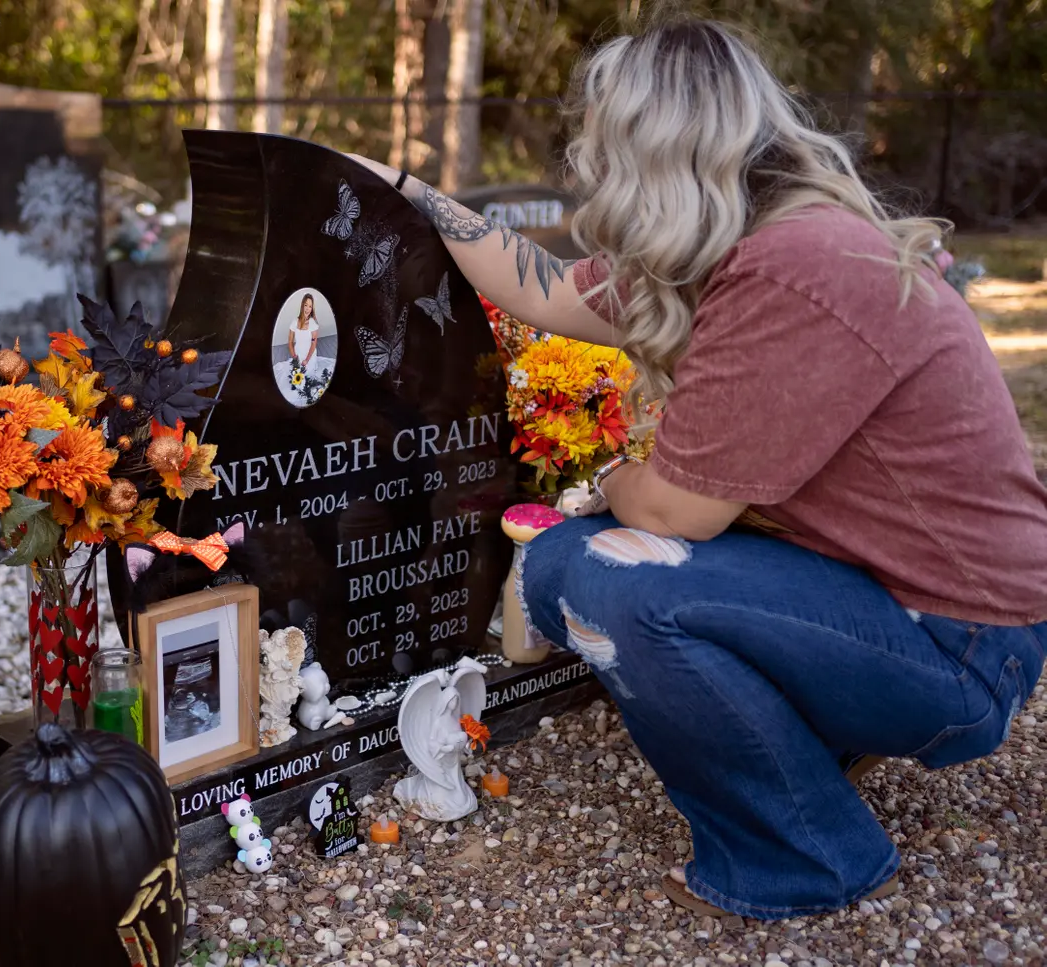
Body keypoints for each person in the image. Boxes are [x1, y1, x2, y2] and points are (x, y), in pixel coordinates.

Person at [349, 16, 1047, 920]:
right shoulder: (747, 241)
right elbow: (543, 287)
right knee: (607, 556)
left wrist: (605, 485)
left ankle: (805, 856)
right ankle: (805, 752)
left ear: (649, 146)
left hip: (960, 647)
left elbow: (676, 516)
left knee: (589, 571)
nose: (589, 160)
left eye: (602, 139)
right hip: (913, 604)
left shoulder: (793, 267)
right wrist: (404, 191)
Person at [289, 293, 320, 375]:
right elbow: (290, 342)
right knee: (296, 374)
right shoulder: (294, 322)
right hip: (298, 353)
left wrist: (306, 360)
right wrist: (295, 358)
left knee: (307, 375)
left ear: (312, 309)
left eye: (310, 306)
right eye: (306, 305)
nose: (307, 309)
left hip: (309, 355)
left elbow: (313, 344)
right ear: (302, 305)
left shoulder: (313, 324)